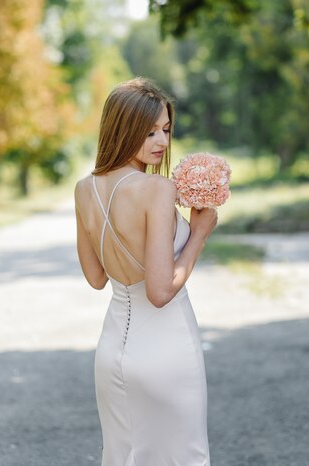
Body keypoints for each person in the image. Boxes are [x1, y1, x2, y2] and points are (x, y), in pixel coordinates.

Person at [74, 77, 217, 466]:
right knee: (183, 458)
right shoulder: (156, 189)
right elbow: (159, 291)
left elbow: (96, 277)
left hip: (111, 351)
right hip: (166, 348)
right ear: (123, 129)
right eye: (150, 131)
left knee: (123, 457)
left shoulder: (85, 189)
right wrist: (199, 233)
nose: (162, 142)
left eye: (166, 130)